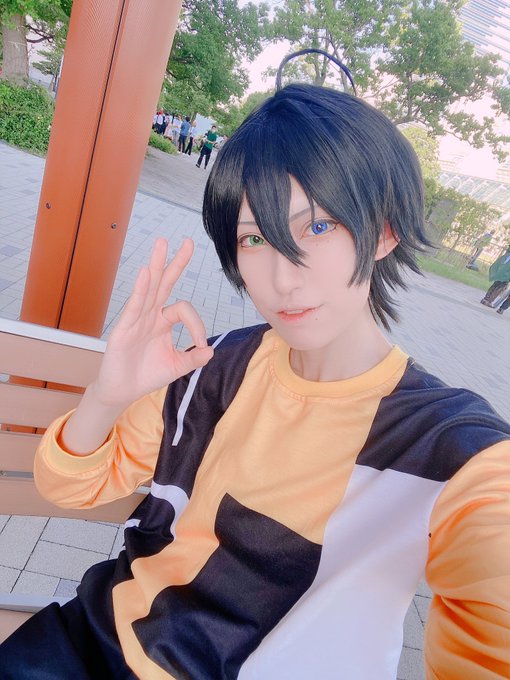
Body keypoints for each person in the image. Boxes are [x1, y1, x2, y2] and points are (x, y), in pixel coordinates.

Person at [1, 84, 510, 680]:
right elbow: (68, 487)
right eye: (254, 238)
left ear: (383, 232)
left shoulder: (452, 450)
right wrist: (108, 395)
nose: (281, 278)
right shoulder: (212, 365)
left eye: (318, 227)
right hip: (96, 643)